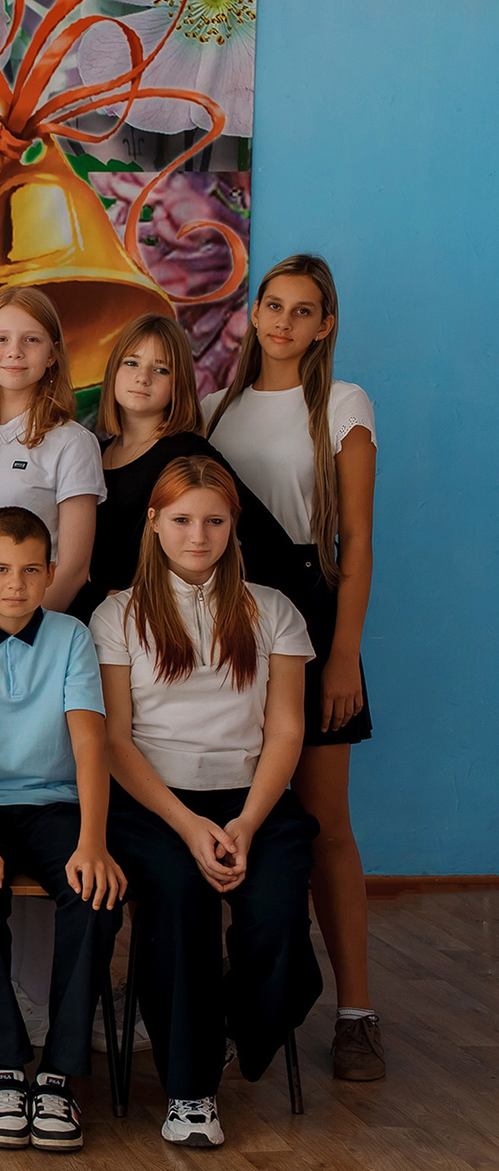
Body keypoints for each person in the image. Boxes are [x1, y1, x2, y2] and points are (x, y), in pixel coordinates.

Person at [93, 456, 322, 1146]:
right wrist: (190, 826)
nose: (199, 536)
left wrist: (246, 822)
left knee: (278, 917)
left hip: (254, 799)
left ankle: (225, 1023)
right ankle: (190, 1093)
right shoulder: (117, 614)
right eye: (183, 520)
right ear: (154, 523)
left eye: (215, 521)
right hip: (154, 802)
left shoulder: (273, 610)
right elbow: (115, 741)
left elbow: (286, 730)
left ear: (233, 526)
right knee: (180, 901)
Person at [203, 255, 382, 1082]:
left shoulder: (342, 403)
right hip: (226, 615)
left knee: (326, 821)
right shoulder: (216, 407)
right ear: (254, 313)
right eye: (272, 305)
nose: (282, 322)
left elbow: (355, 540)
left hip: (311, 608)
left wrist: (342, 654)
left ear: (325, 324)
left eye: (302, 310)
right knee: (225, 809)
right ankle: (229, 1000)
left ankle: (356, 1014)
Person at [0, 507, 126, 1152]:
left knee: (95, 893)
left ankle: (60, 1075)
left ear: (50, 574)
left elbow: (90, 743)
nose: (15, 584)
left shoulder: (71, 636)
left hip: (54, 805)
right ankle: (7, 1069)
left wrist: (92, 842)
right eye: (1, 569)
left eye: (31, 570)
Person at [67, 314, 292, 623]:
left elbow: (268, 544)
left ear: (179, 383)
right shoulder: (92, 452)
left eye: (161, 369)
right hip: (98, 623)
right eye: (131, 363)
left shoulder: (188, 452)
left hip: (163, 625)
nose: (142, 378)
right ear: (113, 370)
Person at [0, 286, 104, 618]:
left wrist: (19, 633)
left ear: (52, 354)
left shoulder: (73, 442)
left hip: (33, 619)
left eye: (31, 340)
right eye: (1, 339)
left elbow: (73, 568)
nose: (14, 351)